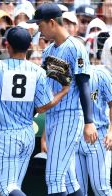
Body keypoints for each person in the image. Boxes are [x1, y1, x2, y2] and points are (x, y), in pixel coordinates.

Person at [0, 26, 70, 196]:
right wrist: (63, 92)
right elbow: (43, 106)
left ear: (8, 45)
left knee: (7, 189)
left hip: (6, 135)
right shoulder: (37, 71)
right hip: (27, 134)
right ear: (29, 47)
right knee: (14, 187)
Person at [27, 3, 98, 196]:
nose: (39, 30)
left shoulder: (76, 47)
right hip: (53, 116)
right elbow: (45, 87)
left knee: (54, 176)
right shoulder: (49, 50)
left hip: (70, 115)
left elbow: (84, 84)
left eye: (40, 25)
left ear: (51, 23)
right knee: (68, 178)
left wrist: (89, 122)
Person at [67, 66, 112, 195]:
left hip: (98, 135)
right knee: (76, 190)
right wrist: (45, 136)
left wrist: (111, 131)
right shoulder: (62, 74)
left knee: (101, 188)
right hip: (73, 137)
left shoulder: (100, 73)